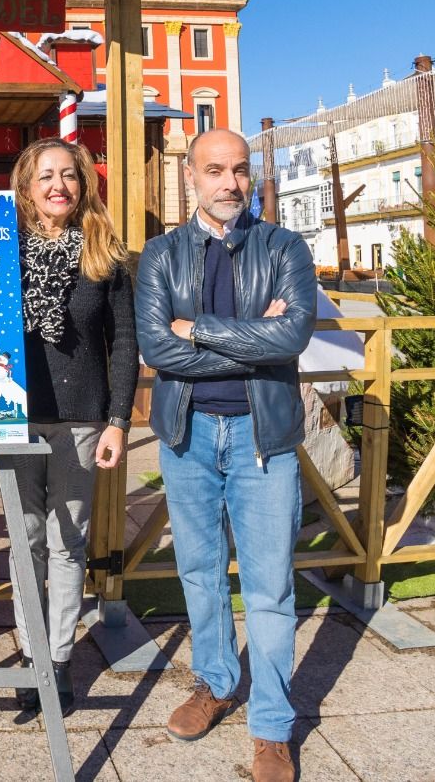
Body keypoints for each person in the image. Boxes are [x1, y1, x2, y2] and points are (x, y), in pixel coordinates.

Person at [134, 128, 317, 782]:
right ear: (191, 176)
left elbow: (291, 334)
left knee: (269, 587)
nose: (230, 183)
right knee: (200, 573)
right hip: (186, 436)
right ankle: (215, 682)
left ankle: (271, 726)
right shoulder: (159, 256)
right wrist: (252, 336)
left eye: (239, 170)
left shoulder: (285, 247)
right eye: (215, 170)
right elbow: (158, 348)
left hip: (261, 439)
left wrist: (202, 329)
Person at [6, 138, 138, 718]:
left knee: (66, 544)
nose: (58, 185)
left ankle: (56, 661)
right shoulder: (1, 249)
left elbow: (125, 344)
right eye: (45, 176)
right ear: (27, 187)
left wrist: (118, 421)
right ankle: (32, 652)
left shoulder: (105, 256)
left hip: (83, 420)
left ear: (84, 184)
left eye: (69, 175)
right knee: (25, 539)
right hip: (15, 417)